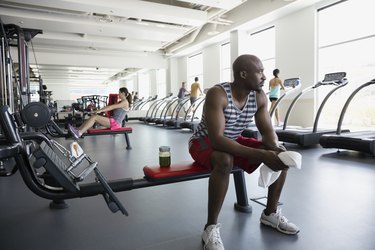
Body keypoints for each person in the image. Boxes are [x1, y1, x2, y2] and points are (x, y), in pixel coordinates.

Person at [189, 55, 299, 250]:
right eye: (260, 72)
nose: (264, 76)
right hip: (203, 142)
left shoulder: (259, 97)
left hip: (231, 139)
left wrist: (274, 148)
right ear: (243, 74)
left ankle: (270, 214)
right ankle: (210, 228)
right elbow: (217, 140)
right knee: (224, 159)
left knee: (282, 155)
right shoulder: (218, 94)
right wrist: (263, 155)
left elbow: (268, 132)